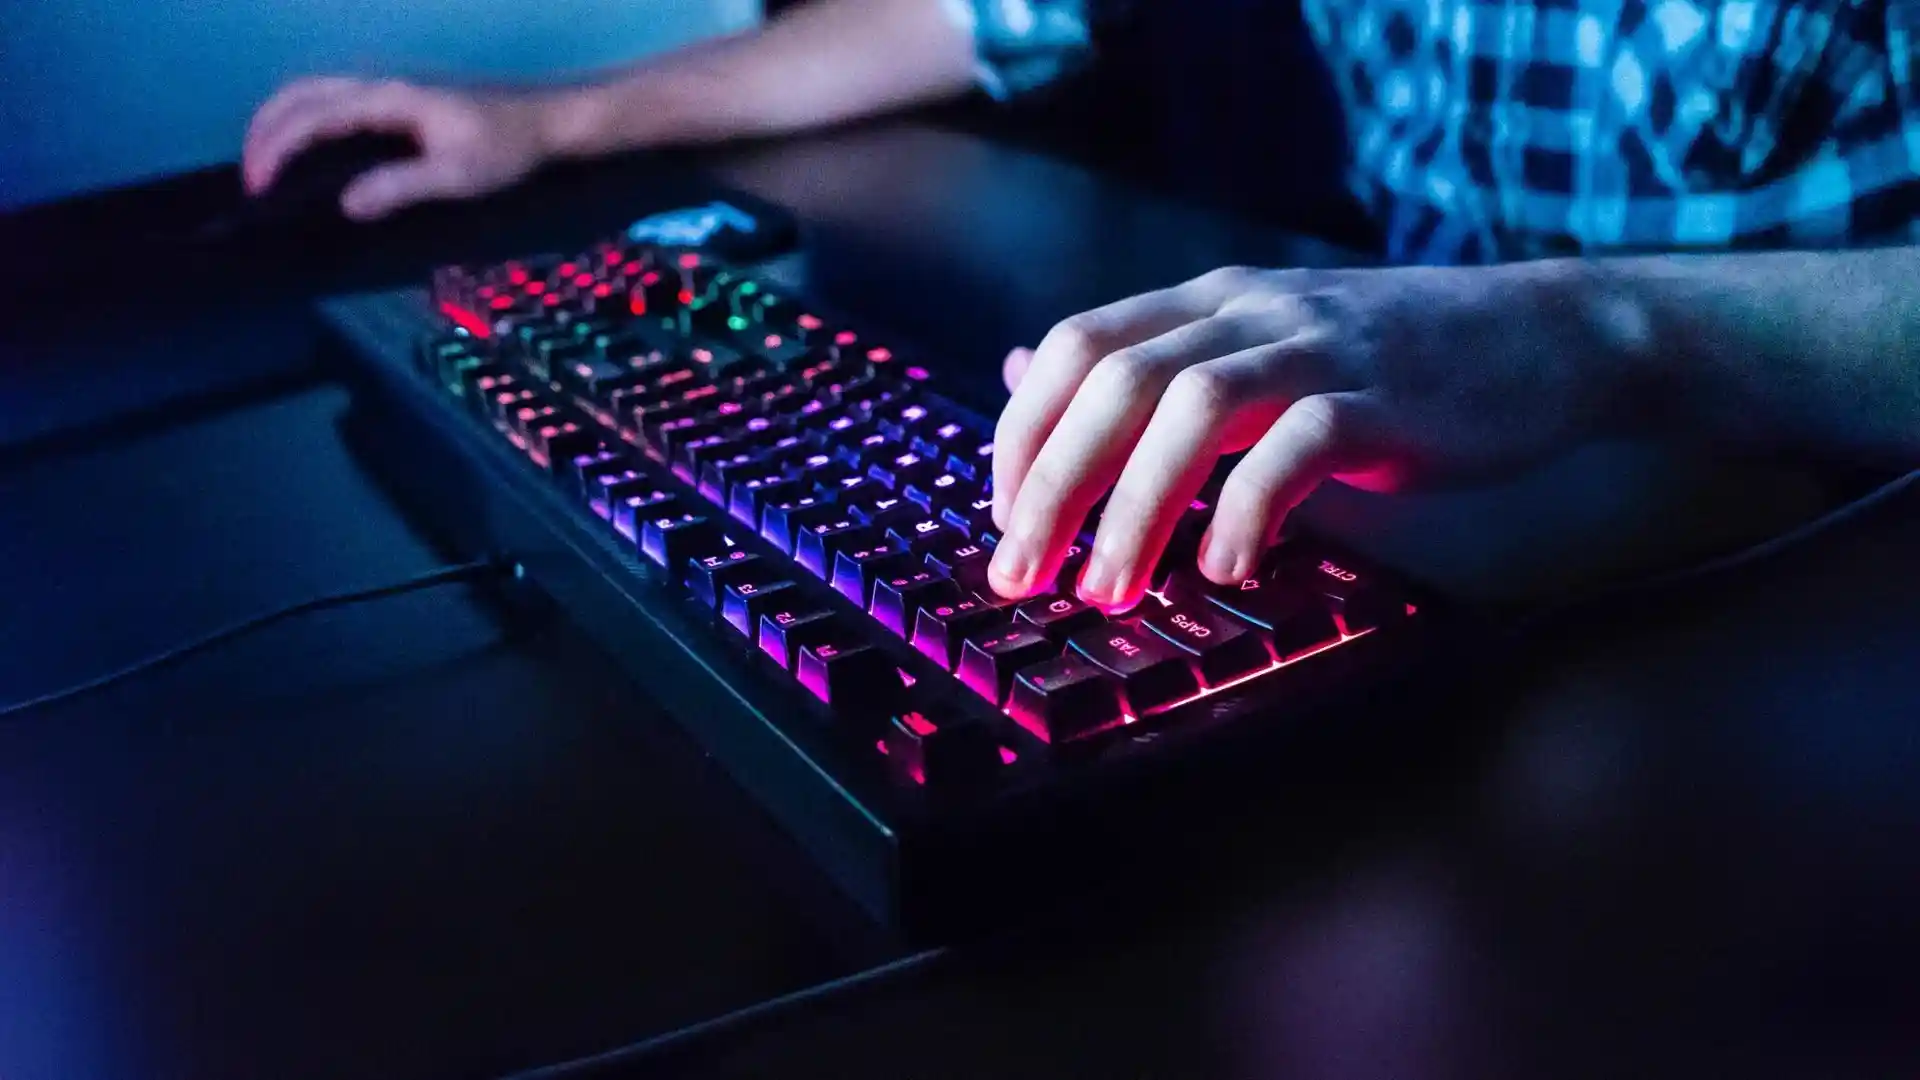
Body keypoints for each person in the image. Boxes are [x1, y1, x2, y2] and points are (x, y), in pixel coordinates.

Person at [244, 0, 1920, 612]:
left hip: (1831, 591)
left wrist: (1603, 327)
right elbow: (984, 12)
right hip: (1482, 547)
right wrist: (554, 122)